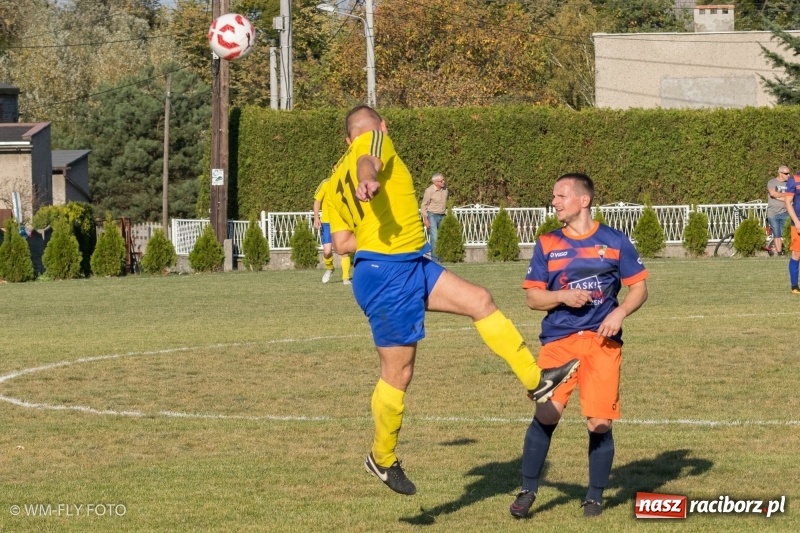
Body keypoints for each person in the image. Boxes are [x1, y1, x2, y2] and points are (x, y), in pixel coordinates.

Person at [324, 105, 580, 496]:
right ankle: (382, 456)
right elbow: (367, 160)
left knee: (480, 300)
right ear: (382, 128)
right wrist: (369, 178)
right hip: (388, 275)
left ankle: (536, 380)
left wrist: (386, 229)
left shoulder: (330, 184)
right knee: (398, 373)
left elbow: (341, 244)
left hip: (405, 264)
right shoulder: (374, 139)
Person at [511, 172, 649, 518]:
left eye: (561, 195)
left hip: (602, 343)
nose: (554, 201)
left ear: (583, 200)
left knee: (599, 422)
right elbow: (532, 297)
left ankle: (594, 497)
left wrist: (619, 313)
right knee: (546, 413)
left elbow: (640, 289)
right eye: (554, 196)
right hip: (559, 342)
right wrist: (562, 296)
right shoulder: (547, 243)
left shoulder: (615, 241)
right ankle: (527, 489)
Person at [313, 177, 352, 284]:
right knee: (327, 251)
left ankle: (346, 278)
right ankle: (330, 268)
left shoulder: (346, 182)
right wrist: (316, 217)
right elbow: (317, 200)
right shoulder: (326, 183)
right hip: (327, 222)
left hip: (341, 222)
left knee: (344, 251)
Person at [421, 173, 449, 262]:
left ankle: (443, 257)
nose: (443, 182)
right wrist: (425, 219)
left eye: (443, 180)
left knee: (443, 237)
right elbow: (424, 205)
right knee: (435, 237)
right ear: (435, 182)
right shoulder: (429, 191)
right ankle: (435, 259)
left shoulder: (445, 190)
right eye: (441, 181)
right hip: (432, 215)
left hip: (442, 215)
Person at [767, 166, 790, 256]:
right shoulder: (771, 182)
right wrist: (785, 196)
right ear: (780, 173)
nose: (788, 175)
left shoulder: (789, 183)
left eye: (788, 173)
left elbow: (791, 198)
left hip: (785, 211)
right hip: (772, 213)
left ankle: (787, 251)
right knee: (777, 234)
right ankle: (779, 253)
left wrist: (778, 196)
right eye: (786, 173)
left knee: (786, 233)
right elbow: (772, 194)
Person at [783, 172, 800, 293]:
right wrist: (796, 221)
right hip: (798, 222)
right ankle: (794, 286)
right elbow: (787, 202)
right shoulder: (794, 180)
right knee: (797, 254)